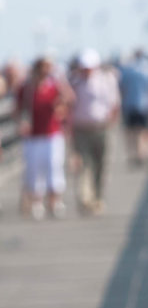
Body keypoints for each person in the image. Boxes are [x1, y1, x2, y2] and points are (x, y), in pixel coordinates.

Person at [15, 56, 74, 220]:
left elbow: (69, 99)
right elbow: (17, 109)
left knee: (54, 166)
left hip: (52, 134)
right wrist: (21, 123)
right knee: (34, 168)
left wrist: (61, 80)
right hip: (33, 135)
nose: (44, 73)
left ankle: (54, 201)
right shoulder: (26, 89)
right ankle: (37, 202)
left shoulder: (54, 86)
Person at [70, 48, 120, 215]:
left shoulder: (106, 80)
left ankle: (98, 197)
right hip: (81, 129)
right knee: (84, 165)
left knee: (101, 165)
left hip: (102, 128)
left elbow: (114, 104)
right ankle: (85, 198)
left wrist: (110, 123)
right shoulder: (74, 82)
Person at [118, 49, 148, 165]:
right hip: (146, 104)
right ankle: (146, 152)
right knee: (146, 130)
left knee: (132, 131)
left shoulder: (127, 70)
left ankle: (135, 153)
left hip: (130, 104)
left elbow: (121, 87)